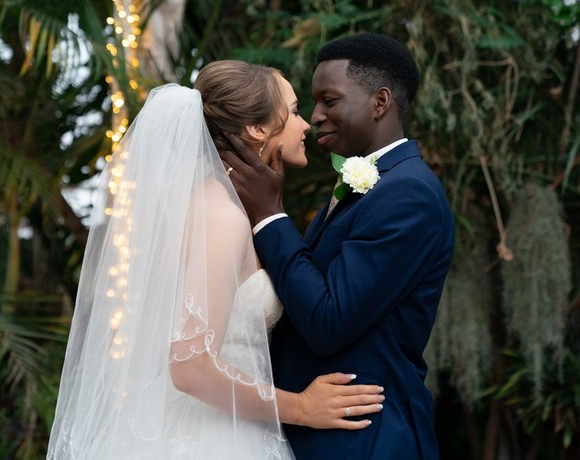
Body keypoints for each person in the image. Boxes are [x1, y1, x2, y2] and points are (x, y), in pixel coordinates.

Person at [47, 60, 384, 459]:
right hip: (210, 437)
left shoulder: (220, 205)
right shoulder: (221, 215)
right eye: (294, 112)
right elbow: (190, 366)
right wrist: (302, 407)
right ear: (257, 129)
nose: (305, 125)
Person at [220, 34, 455, 459]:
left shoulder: (409, 193)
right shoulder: (368, 185)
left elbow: (328, 320)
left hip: (364, 438)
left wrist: (270, 215)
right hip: (312, 434)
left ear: (380, 102)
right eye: (312, 104)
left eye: (329, 101)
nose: (315, 117)